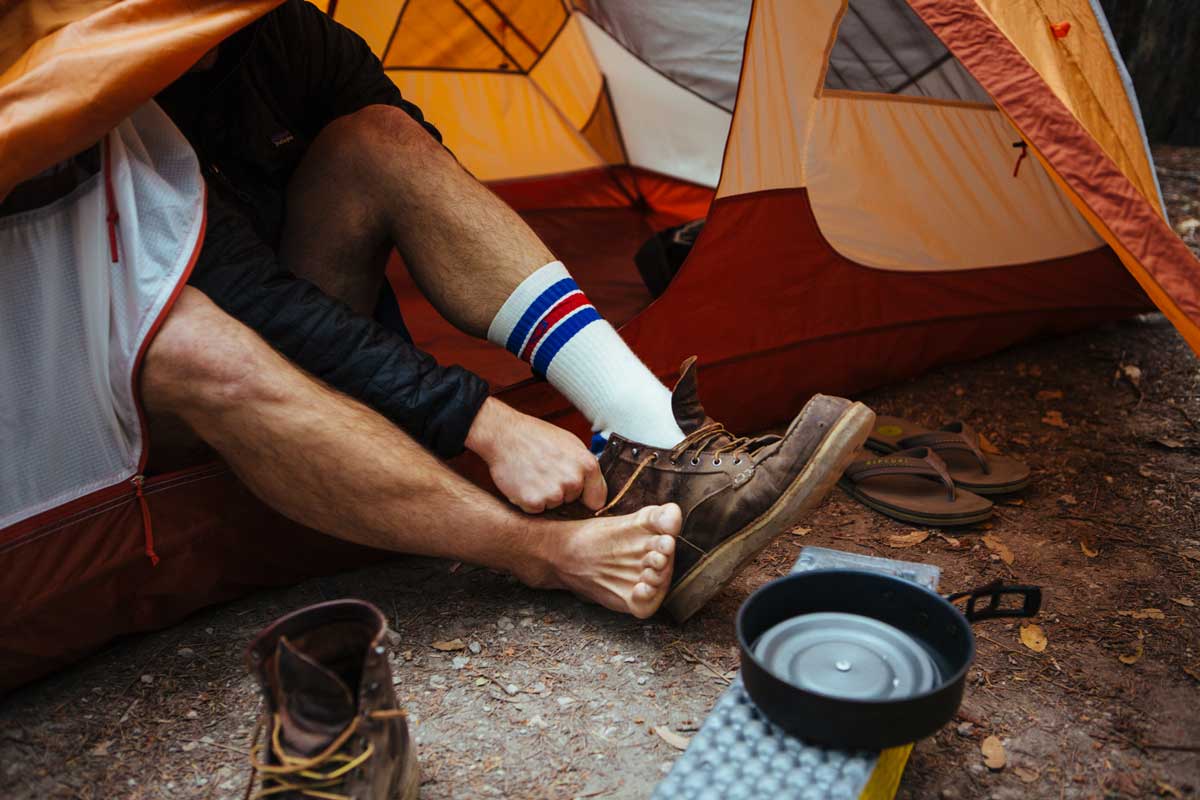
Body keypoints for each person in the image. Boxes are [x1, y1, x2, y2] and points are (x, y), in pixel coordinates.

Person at [138, 0, 873, 621]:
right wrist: (479, 421)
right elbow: (247, 303)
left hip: (296, 326)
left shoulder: (284, 36)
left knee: (380, 138)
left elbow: (426, 176)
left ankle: (656, 441)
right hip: (160, 386)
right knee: (195, 342)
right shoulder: (96, 80)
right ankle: (549, 555)